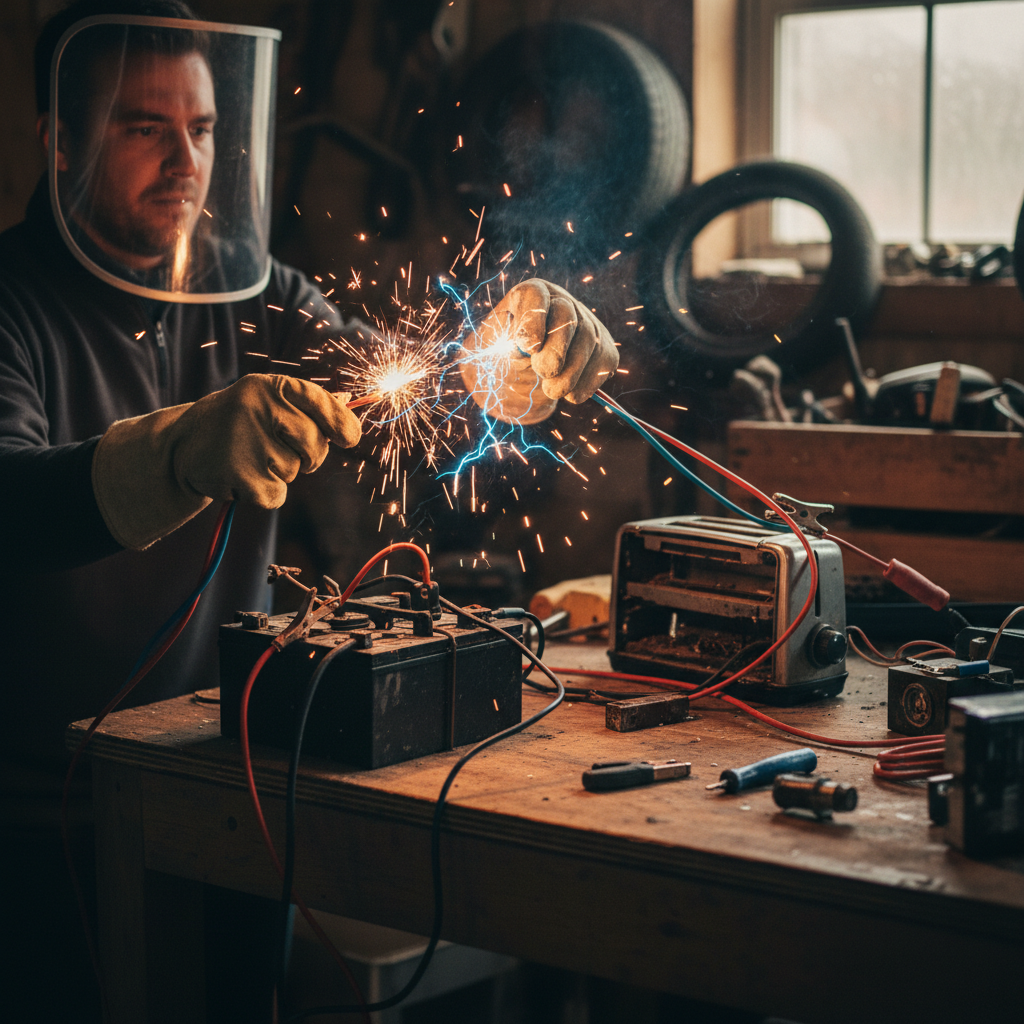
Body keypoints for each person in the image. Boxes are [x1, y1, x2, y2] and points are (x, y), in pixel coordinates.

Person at [0, 1, 617, 1017]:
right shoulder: (14, 304)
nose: (185, 160)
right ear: (59, 141)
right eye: (141, 126)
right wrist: (175, 453)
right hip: (38, 818)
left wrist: (517, 360)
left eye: (200, 128)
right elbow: (12, 503)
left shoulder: (253, 294)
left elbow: (396, 394)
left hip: (218, 783)